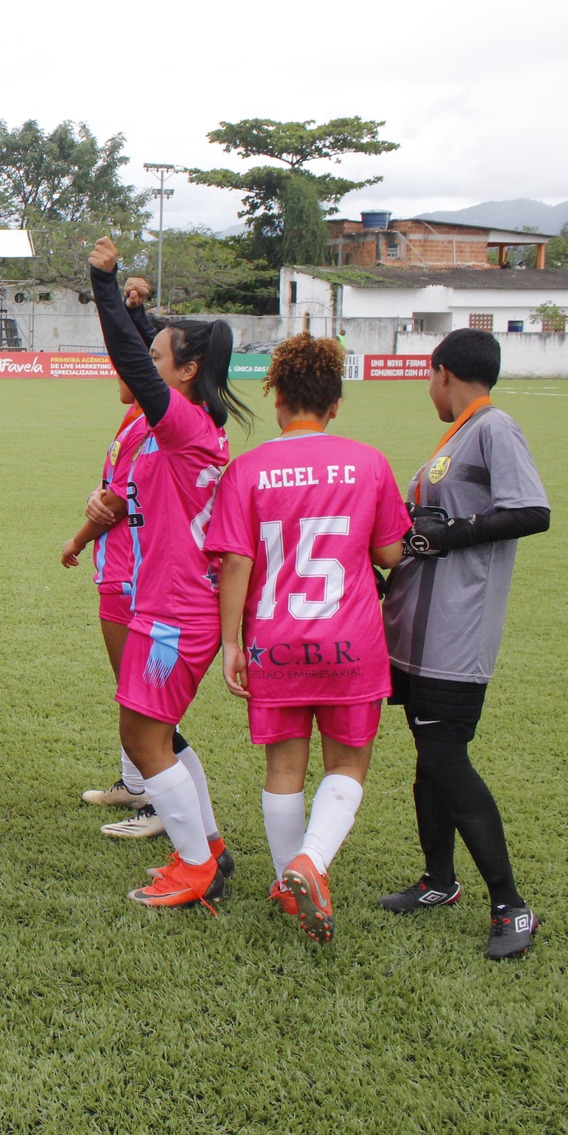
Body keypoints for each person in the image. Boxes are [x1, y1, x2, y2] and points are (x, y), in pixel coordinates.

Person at [209, 334, 408, 941]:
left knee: (283, 765)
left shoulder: (245, 470)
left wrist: (231, 644)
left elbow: (236, 564)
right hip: (351, 641)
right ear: (336, 402)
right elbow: (390, 552)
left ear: (277, 400)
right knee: (347, 763)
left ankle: (288, 881)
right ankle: (310, 863)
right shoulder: (370, 462)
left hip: (275, 641)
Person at [86, 236, 251, 908]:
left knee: (144, 734)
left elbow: (134, 359)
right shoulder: (192, 422)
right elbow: (141, 348)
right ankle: (206, 848)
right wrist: (131, 302)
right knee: (148, 732)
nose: (146, 361)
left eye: (161, 356)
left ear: (184, 372)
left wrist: (100, 282)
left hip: (177, 610)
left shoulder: (182, 426)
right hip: (169, 601)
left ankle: (196, 862)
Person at [377, 328, 551, 958]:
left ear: (442, 371)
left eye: (429, 378)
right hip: (418, 628)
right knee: (431, 749)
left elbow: (532, 511)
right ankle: (439, 881)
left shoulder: (494, 427)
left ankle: (511, 905)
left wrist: (449, 533)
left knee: (447, 756)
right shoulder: (458, 435)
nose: (429, 389)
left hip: (457, 632)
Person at [62, 278, 169, 841]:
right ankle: (136, 784)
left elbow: (115, 503)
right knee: (132, 694)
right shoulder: (135, 422)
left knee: (141, 698)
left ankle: (158, 804)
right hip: (121, 568)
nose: (121, 371)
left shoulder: (150, 426)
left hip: (130, 574)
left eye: (134, 364)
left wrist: (77, 540)